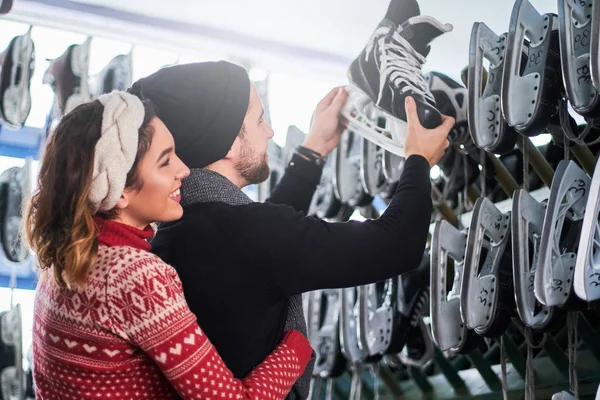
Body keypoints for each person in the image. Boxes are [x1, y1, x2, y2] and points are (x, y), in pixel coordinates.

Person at [128, 57, 451, 399]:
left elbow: (264, 242)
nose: (268, 131)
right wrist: (418, 160)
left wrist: (313, 152)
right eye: (259, 119)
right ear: (230, 145)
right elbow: (397, 245)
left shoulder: (178, 233)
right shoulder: (244, 233)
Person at [24, 91, 313, 400]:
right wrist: (295, 348)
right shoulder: (134, 276)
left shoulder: (62, 260)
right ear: (119, 191)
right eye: (165, 162)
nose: (183, 170)